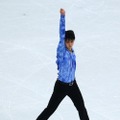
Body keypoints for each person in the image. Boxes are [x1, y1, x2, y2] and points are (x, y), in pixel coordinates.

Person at [36, 8, 90, 120]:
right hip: (61, 86)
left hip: (73, 85)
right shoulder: (62, 51)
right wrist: (62, 17)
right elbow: (61, 33)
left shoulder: (72, 52)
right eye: (67, 41)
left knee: (81, 107)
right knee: (50, 109)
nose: (70, 43)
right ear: (64, 41)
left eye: (71, 41)